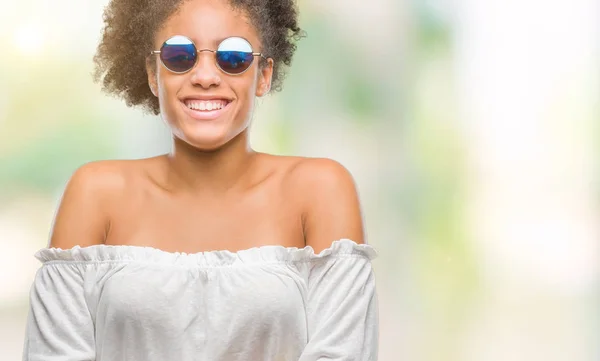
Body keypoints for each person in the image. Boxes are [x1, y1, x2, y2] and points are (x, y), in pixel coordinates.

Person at [22, 0, 379, 360]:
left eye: (234, 56)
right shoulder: (95, 193)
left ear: (264, 75)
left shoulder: (320, 189)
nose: (205, 76)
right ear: (152, 73)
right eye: (180, 54)